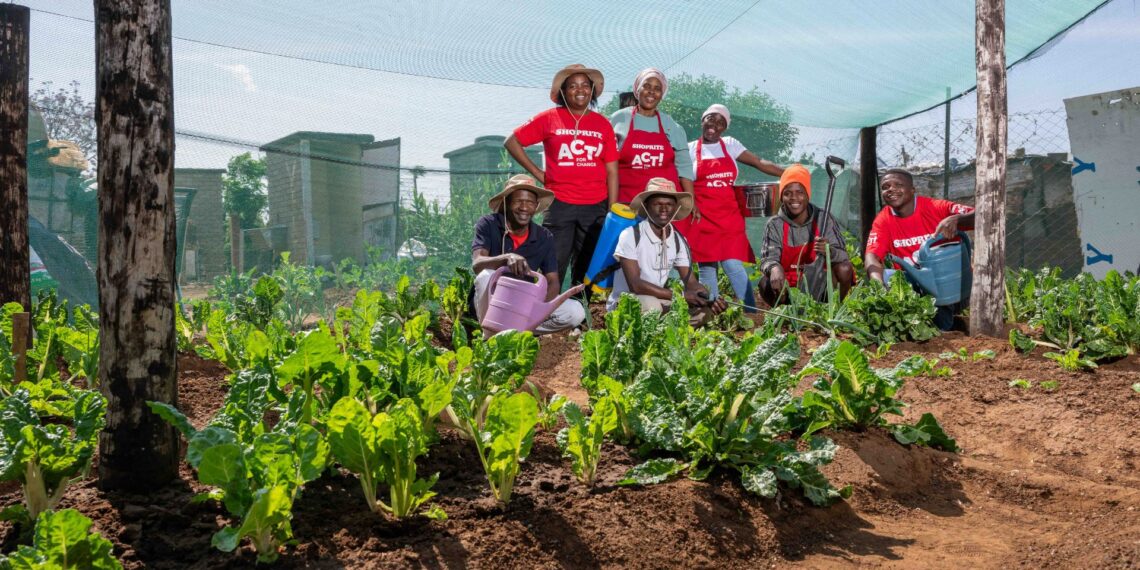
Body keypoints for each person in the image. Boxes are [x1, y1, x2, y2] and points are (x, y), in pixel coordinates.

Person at [505, 64, 619, 286]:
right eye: (573, 86)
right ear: (563, 92)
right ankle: (545, 314)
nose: (580, 90)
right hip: (560, 204)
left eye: (586, 85)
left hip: (595, 205)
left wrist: (611, 210)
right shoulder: (549, 118)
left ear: (592, 91)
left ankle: (580, 315)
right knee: (553, 264)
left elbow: (612, 170)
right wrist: (539, 174)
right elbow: (512, 142)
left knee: (587, 267)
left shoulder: (603, 124)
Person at [686, 104, 785, 303]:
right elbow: (682, 179)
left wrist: (788, 173)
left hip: (728, 217)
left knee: (732, 264)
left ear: (725, 128)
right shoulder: (689, 149)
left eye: (721, 121)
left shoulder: (730, 144)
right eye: (711, 118)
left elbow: (758, 162)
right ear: (703, 120)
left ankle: (750, 308)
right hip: (702, 218)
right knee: (707, 267)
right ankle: (711, 312)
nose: (715, 123)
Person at [471, 174, 586, 334]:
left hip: (524, 302)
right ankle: (490, 337)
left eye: (530, 202)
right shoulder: (489, 224)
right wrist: (506, 258)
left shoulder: (543, 236)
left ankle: (519, 331)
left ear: (536, 206)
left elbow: (553, 282)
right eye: (518, 201)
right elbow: (477, 263)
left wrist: (535, 309)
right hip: (493, 300)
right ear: (506, 203)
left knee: (575, 311)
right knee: (485, 276)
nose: (524, 207)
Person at [864, 168, 975, 330]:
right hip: (916, 288)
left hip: (952, 286)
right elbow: (871, 256)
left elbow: (984, 213)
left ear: (912, 190)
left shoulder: (936, 207)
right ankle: (913, 326)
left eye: (898, 185)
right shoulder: (883, 220)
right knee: (886, 276)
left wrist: (958, 219)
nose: (891, 190)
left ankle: (943, 329)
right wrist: (878, 287)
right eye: (885, 187)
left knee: (938, 288)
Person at [607, 177, 726, 326]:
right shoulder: (631, 235)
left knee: (705, 311)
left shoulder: (678, 239)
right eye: (657, 204)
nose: (664, 209)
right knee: (652, 307)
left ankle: (669, 331)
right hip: (628, 301)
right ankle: (668, 327)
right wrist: (681, 296)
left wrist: (709, 298)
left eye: (669, 204)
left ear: (676, 207)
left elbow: (691, 283)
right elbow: (635, 285)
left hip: (660, 300)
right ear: (646, 206)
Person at [758, 164, 855, 305]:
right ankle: (784, 313)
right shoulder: (775, 224)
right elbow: (767, 259)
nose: (794, 198)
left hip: (819, 283)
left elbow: (843, 256)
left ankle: (831, 310)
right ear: (782, 197)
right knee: (765, 282)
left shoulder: (823, 218)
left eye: (800, 192)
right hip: (788, 286)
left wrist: (830, 251)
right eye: (787, 193)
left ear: (807, 195)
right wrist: (774, 267)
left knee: (844, 269)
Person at [609, 68, 694, 205]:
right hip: (626, 202)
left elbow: (684, 166)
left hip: (663, 206)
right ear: (637, 90)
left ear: (662, 94)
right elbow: (607, 162)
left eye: (657, 88)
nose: (651, 92)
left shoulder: (671, 125)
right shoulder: (619, 119)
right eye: (646, 86)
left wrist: (691, 201)